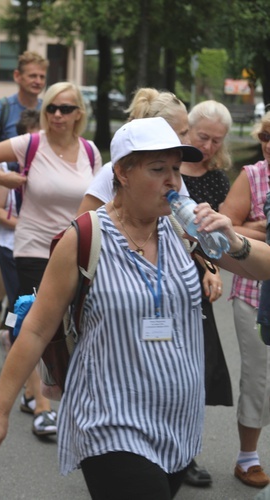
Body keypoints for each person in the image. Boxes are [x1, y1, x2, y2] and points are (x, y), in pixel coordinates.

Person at [0, 116, 270, 499]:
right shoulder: (85, 235)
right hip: (110, 421)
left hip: (177, 424)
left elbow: (262, 267)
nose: (173, 182)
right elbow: (35, 328)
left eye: (176, 170)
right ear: (123, 173)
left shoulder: (183, 228)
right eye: (158, 169)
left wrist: (232, 240)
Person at [77, 89, 228, 487]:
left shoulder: (171, 193)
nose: (187, 142)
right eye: (180, 132)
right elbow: (79, 234)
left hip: (172, 404)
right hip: (113, 398)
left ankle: (179, 448)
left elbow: (193, 239)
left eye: (185, 139)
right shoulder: (113, 181)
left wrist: (211, 264)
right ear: (124, 173)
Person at [0, 81, 102, 437]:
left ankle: (71, 400)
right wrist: (2, 176)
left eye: (65, 108)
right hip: (33, 248)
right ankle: (42, 405)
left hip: (78, 250)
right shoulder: (31, 144)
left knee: (77, 326)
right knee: (35, 324)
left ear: (79, 113)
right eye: (51, 108)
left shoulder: (91, 152)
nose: (57, 115)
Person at [178, 100, 234, 486]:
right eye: (203, 137)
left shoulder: (216, 179)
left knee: (196, 371)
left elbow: (211, 239)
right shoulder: (166, 167)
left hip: (197, 279)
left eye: (218, 141)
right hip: (158, 274)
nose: (210, 147)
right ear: (187, 131)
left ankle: (186, 453)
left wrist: (211, 270)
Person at [220, 110, 270, 489]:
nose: (269, 145)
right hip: (255, 292)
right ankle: (247, 456)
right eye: (266, 137)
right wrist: (257, 228)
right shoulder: (252, 176)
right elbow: (223, 226)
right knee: (258, 377)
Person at [78, 88, 191, 214]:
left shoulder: (172, 180)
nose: (189, 141)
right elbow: (82, 226)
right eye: (183, 133)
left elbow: (186, 228)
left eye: (175, 168)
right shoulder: (111, 173)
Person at [0, 109, 41, 352]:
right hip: (10, 246)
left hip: (38, 247)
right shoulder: (9, 168)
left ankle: (14, 336)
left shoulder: (49, 170)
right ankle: (11, 336)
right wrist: (27, 224)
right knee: (17, 298)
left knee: (31, 300)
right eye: (33, 136)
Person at [0, 50, 47, 149]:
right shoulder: (0, 109)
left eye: (42, 77)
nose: (38, 81)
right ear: (17, 76)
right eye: (32, 76)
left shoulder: (49, 111)